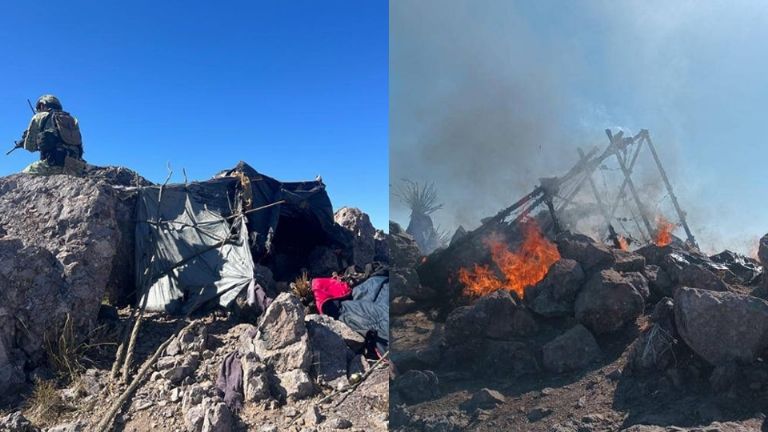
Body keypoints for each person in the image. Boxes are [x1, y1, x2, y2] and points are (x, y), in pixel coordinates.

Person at [18, 94, 85, 176]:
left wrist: (24, 142)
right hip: (76, 166)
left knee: (23, 174)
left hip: (54, 164)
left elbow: (30, 147)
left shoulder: (39, 116)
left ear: (42, 105)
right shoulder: (72, 119)